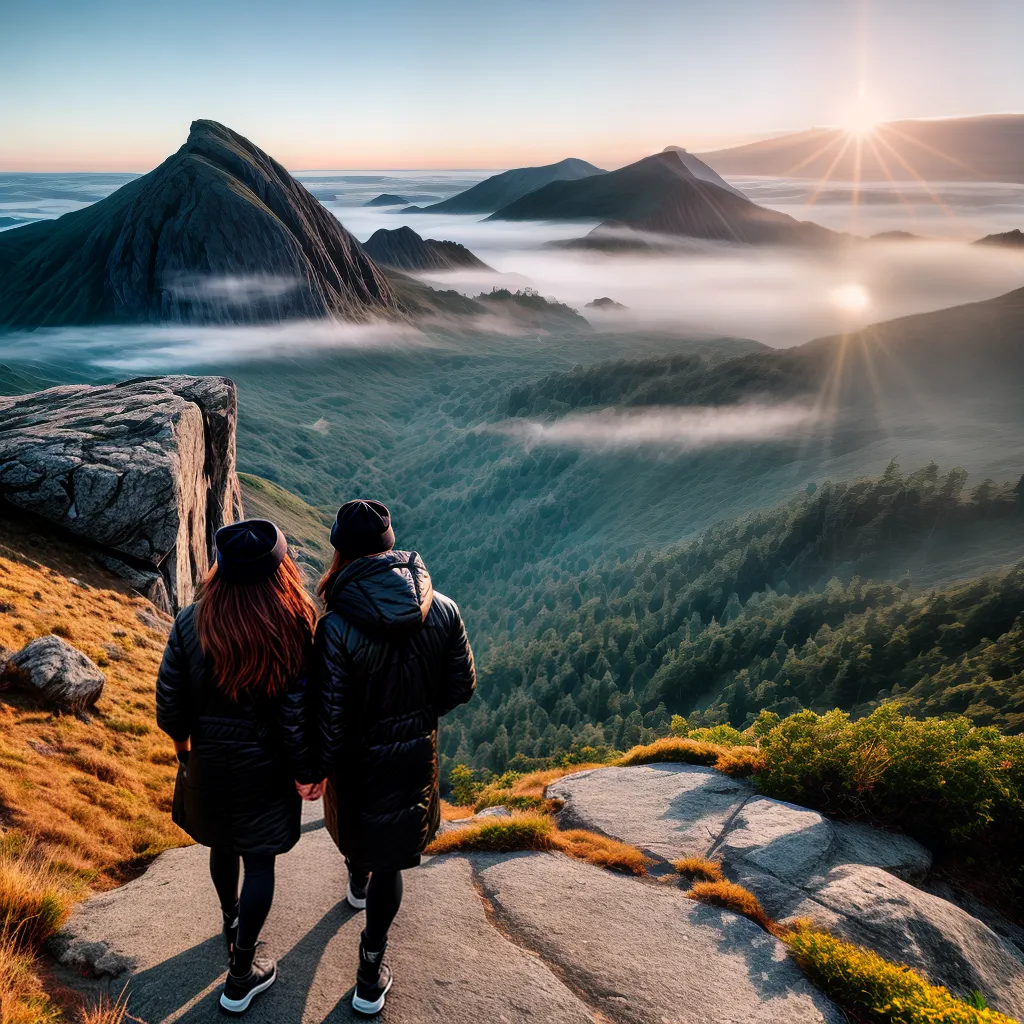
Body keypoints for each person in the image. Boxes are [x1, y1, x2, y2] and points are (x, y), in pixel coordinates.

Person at [309, 499, 476, 1016]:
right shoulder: (443, 608)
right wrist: (419, 717)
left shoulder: (335, 627)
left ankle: (356, 878)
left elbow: (330, 718)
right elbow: (461, 687)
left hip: (357, 765)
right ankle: (368, 973)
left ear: (339, 554)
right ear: (391, 547)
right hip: (412, 759)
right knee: (394, 861)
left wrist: (316, 769)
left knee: (364, 831)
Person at [156, 520, 321, 1015]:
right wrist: (306, 769)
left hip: (209, 762)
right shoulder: (295, 622)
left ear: (220, 570)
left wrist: (186, 750)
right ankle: (241, 973)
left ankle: (230, 925)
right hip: (266, 771)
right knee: (261, 864)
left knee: (222, 844)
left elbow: (170, 705)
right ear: (281, 571)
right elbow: (297, 714)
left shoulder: (190, 621)